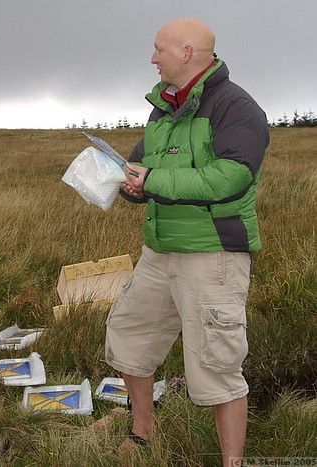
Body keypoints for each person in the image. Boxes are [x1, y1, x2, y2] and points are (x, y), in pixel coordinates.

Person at [104, 18, 269, 466]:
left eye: (159, 50)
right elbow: (142, 165)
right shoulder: (164, 109)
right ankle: (142, 433)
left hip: (212, 255)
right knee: (130, 338)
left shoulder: (237, 107)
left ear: (187, 53)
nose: (152, 58)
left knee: (217, 366)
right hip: (160, 251)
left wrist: (154, 180)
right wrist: (128, 184)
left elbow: (231, 177)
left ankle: (231, 462)